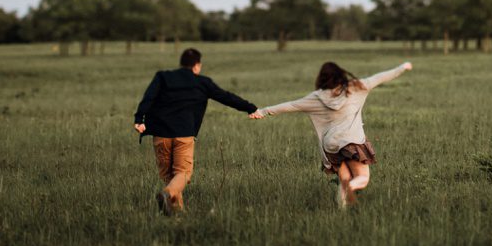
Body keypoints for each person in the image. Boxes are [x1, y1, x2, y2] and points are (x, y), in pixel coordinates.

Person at [249, 60, 412, 208]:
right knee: (362, 178)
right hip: (352, 141)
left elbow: (291, 105)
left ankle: (343, 211)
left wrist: (263, 111)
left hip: (331, 146)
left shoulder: (316, 97)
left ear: (322, 78)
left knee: (345, 179)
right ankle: (350, 190)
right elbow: (381, 77)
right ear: (341, 74)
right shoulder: (356, 87)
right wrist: (402, 68)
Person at [133, 47, 257, 215]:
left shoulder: (162, 77)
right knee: (183, 174)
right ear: (197, 65)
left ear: (181, 63)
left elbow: (148, 97)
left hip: (161, 135)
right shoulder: (202, 82)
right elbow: (226, 97)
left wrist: (139, 119)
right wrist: (250, 108)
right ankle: (167, 195)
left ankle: (176, 217)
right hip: (183, 135)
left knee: (171, 178)